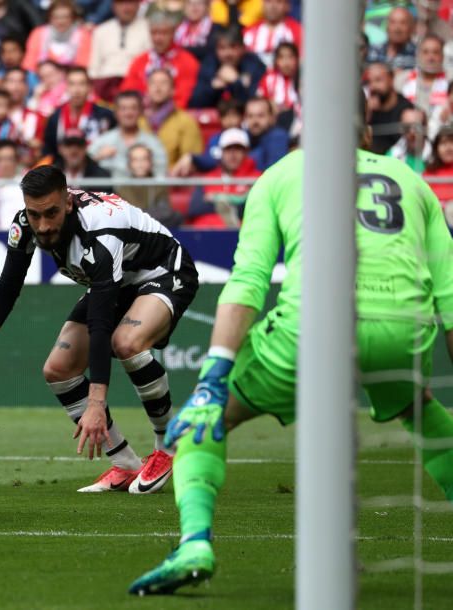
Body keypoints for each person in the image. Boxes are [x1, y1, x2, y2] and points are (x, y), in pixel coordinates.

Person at [129, 100, 453, 597]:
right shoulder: (413, 182)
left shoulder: (280, 176)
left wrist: (214, 376)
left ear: (308, 133)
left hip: (312, 327)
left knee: (201, 423)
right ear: (366, 131)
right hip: (401, 331)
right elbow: (450, 300)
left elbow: (248, 283)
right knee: (420, 411)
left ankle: (195, 543)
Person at [0, 165, 199, 493]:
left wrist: (96, 404)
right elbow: (7, 288)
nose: (43, 226)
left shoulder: (100, 233)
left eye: (52, 213)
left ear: (68, 202)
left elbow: (100, 325)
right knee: (58, 369)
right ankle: (125, 464)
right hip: (119, 281)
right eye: (34, 215)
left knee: (126, 342)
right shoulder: (24, 225)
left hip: (163, 271)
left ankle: (169, 444)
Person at [120, 8, 200, 109]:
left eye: (164, 33)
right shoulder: (140, 61)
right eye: (154, 33)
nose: (158, 38)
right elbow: (128, 92)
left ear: (173, 33)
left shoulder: (188, 62)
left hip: (173, 117)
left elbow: (183, 98)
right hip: (141, 115)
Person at [185, 127, 261, 227]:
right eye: (228, 149)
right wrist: (235, 203)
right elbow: (195, 208)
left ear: (246, 152)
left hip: (241, 234)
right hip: (207, 233)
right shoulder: (209, 179)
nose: (233, 154)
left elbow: (255, 208)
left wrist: (216, 198)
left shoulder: (257, 178)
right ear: (221, 152)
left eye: (238, 149)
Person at [89, 90, 168, 180]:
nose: (128, 113)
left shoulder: (153, 143)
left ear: (141, 111)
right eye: (123, 109)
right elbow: (83, 169)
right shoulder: (103, 141)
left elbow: (161, 175)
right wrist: (98, 157)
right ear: (115, 112)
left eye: (133, 108)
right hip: (111, 193)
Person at [40, 67, 116, 160]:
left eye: (82, 84)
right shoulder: (55, 117)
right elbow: (49, 150)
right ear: (66, 87)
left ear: (89, 87)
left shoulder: (105, 115)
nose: (77, 90)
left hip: (96, 169)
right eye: (72, 84)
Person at [188, 26, 265, 109]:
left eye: (233, 47)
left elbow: (255, 104)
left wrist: (236, 82)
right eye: (222, 48)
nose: (227, 53)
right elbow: (195, 103)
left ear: (243, 48)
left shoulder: (254, 65)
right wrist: (213, 88)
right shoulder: (209, 64)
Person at [88, 0, 149, 103]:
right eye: (121, 3)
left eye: (130, 3)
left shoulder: (149, 29)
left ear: (138, 5)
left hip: (136, 89)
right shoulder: (101, 31)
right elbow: (94, 69)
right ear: (113, 6)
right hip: (105, 87)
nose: (126, 8)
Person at [144, 69, 203, 171]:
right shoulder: (137, 120)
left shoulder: (186, 121)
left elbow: (192, 159)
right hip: (138, 181)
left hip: (172, 181)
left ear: (173, 90)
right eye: (153, 83)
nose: (158, 88)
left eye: (163, 83)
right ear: (147, 89)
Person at [115, 143, 181, 228]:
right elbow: (121, 217)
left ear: (151, 163)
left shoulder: (159, 187)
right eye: (135, 160)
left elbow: (165, 213)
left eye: (144, 159)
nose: (140, 164)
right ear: (129, 164)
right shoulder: (122, 190)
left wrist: (136, 216)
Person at [22, 0, 92, 72]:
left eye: (65, 17)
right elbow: (29, 64)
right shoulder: (38, 33)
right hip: (41, 79)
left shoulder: (83, 35)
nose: (60, 21)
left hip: (72, 80)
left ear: (73, 18)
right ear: (49, 18)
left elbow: (84, 64)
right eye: (56, 17)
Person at [242, 0, 301, 68]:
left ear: (288, 6)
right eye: (268, 1)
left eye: (278, 2)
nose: (273, 6)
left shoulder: (298, 32)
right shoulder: (247, 32)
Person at [400, 34, 447, 113]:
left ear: (442, 56)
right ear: (417, 55)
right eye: (425, 52)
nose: (430, 57)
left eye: (435, 52)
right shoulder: (402, 80)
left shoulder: (450, 81)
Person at [366, 5, 416, 73]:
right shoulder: (374, 51)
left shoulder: (418, 54)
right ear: (387, 26)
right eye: (393, 22)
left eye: (403, 23)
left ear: (411, 28)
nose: (397, 28)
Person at [388, 106, 429, 174]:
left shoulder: (438, 156)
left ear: (425, 128)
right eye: (407, 127)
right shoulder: (392, 156)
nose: (412, 132)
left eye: (417, 127)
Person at [425, 126, 453, 212]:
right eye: (443, 143)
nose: (448, 148)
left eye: (452, 142)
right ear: (436, 148)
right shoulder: (429, 173)